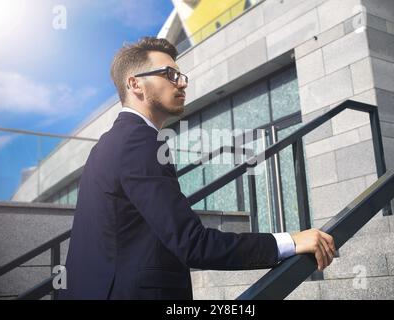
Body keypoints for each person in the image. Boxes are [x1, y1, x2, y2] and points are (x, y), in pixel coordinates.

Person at [59, 37, 335, 300]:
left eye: (181, 76)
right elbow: (193, 244)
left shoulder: (108, 145)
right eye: (169, 74)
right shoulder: (138, 143)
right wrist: (290, 241)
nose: (181, 84)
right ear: (135, 84)